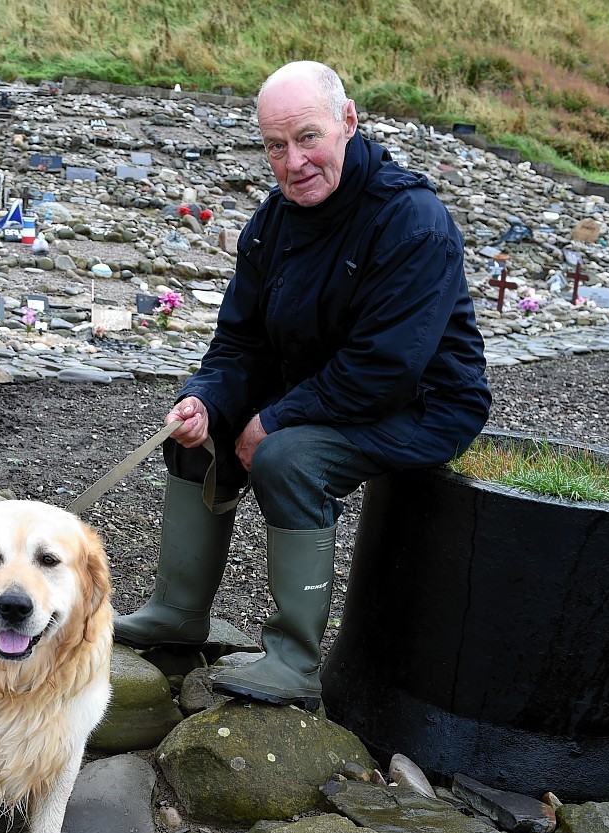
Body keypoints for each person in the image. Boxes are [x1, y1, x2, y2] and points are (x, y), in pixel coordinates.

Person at [114, 61, 491, 711]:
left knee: (288, 458)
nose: (293, 162)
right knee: (194, 429)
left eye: (308, 138)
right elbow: (240, 344)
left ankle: (293, 660)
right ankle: (178, 614)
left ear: (348, 122)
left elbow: (386, 368)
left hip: (422, 405)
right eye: (275, 146)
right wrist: (207, 398)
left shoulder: (410, 218)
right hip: (324, 387)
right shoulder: (273, 221)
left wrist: (274, 421)